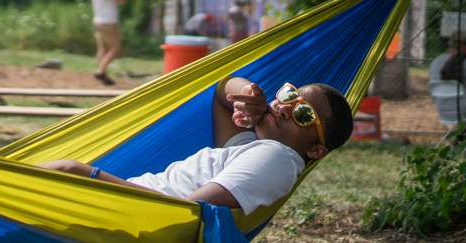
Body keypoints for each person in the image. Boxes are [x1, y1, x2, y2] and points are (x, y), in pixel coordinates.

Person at [41, 77, 354, 215]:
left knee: (66, 170)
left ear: (315, 151)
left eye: (303, 114)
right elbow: (222, 92)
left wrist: (92, 176)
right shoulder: (253, 147)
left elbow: (185, 212)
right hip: (125, 205)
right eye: (289, 95)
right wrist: (247, 95)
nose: (285, 107)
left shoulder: (276, 157)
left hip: (130, 215)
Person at [90, 0, 126, 85]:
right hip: (109, 21)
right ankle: (100, 71)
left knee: (103, 49)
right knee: (115, 49)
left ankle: (103, 74)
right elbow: (121, 0)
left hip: (97, 20)